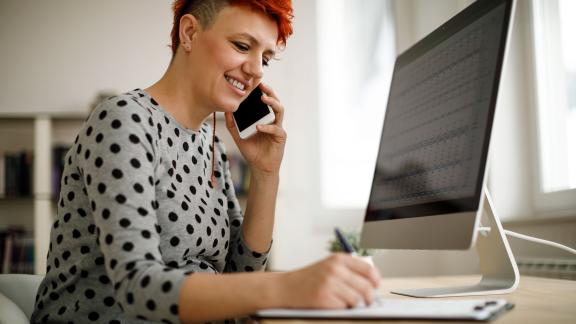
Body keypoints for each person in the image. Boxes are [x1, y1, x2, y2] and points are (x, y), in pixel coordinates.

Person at [31, 0, 381, 323]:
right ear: (190, 33)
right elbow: (138, 287)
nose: (256, 69)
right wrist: (290, 285)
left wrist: (265, 173)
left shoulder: (207, 141)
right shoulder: (123, 120)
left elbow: (241, 274)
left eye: (266, 58)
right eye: (243, 46)